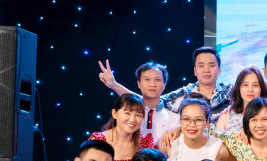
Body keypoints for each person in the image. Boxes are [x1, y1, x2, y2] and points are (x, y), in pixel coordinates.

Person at [99, 47, 231, 123]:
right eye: (201, 65)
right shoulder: (183, 94)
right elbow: (147, 101)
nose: (206, 70)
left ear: (219, 69)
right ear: (195, 70)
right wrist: (114, 85)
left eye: (211, 65)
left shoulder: (230, 92)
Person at [215, 67, 267, 161]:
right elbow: (217, 154)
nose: (250, 89)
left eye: (255, 85)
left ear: (261, 88)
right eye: (245, 85)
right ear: (239, 88)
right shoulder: (226, 115)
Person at [97, 60, 178, 141]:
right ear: (139, 84)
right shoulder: (126, 113)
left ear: (164, 85)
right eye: (147, 79)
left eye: (157, 79)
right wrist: (113, 84)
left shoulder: (175, 118)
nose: (152, 84)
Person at [88, 93, 153, 161]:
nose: (132, 119)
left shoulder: (145, 143)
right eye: (127, 113)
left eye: (138, 115)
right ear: (114, 113)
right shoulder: (98, 140)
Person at [164, 96, 224, 161]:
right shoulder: (171, 140)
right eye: (186, 119)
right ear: (180, 121)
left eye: (199, 120)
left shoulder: (218, 147)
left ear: (207, 122)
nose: (192, 124)